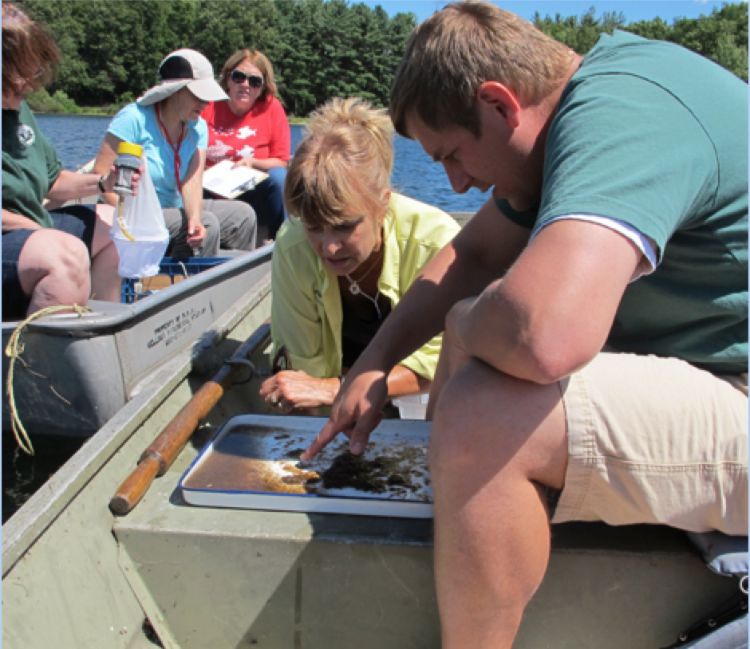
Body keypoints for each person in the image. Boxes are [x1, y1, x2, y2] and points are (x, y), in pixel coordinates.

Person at [301, 3, 748, 648]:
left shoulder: (624, 117)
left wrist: (461, 324)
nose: (453, 184)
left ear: (499, 104)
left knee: (486, 409)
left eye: (452, 154)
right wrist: (374, 359)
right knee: (480, 346)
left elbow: (546, 337)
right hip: (717, 382)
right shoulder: (577, 111)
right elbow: (475, 254)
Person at [259, 97, 459, 413]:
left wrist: (336, 387)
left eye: (343, 226)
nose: (329, 247)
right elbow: (304, 373)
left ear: (383, 204)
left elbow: (443, 360)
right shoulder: (293, 245)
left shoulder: (435, 242)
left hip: (418, 400)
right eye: (314, 227)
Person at [2, 2, 125, 320]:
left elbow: (54, 181)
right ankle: (34, 365)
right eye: (16, 79)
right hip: (14, 233)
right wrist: (37, 231)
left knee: (115, 226)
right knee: (66, 257)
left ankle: (101, 331)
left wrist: (103, 182)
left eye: (31, 75)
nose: (27, 87)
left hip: (29, 231)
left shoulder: (18, 109)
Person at [94, 48, 257, 257]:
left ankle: (235, 284)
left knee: (243, 216)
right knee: (210, 224)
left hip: (173, 207)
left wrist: (194, 217)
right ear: (175, 91)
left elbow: (192, 182)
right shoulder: (133, 119)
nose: (205, 103)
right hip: (132, 213)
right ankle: (191, 285)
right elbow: (99, 178)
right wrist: (141, 216)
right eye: (199, 95)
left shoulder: (198, 127)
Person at [202, 48, 291, 243]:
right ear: (227, 79)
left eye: (254, 81)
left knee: (279, 178)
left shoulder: (271, 108)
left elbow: (281, 161)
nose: (245, 85)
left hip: (250, 188)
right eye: (239, 77)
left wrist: (252, 163)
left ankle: (283, 240)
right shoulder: (208, 106)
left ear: (262, 87)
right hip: (209, 187)